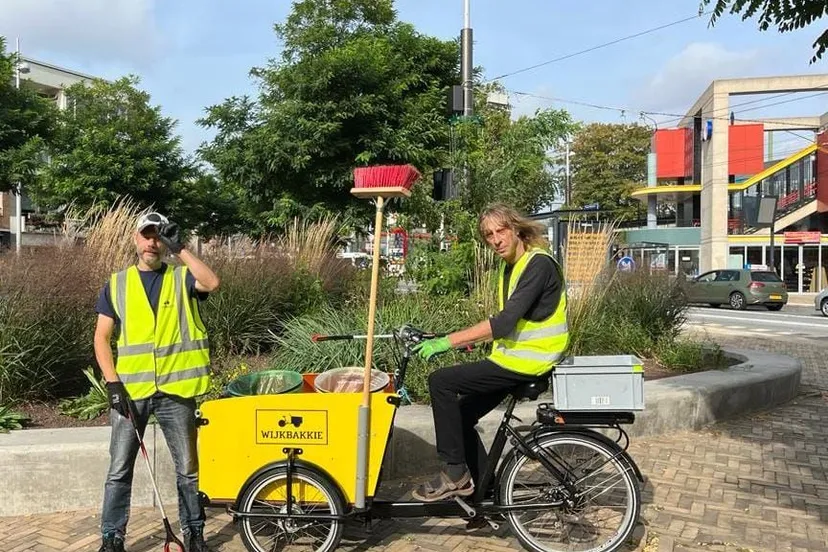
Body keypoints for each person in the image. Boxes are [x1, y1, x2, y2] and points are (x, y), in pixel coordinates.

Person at [410, 203, 568, 503]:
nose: (496, 240)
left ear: (516, 229)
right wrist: (470, 340)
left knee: (440, 381)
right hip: (514, 358)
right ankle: (483, 494)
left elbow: (504, 322)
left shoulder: (538, 264)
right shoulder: (510, 267)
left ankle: (455, 473)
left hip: (528, 362)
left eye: (501, 230)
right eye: (488, 235)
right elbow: (516, 322)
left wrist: (448, 341)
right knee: (462, 413)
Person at [94, 212, 220, 552]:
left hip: (176, 392)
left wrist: (180, 247)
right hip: (131, 393)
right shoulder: (117, 284)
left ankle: (195, 534)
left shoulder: (182, 278)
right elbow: (101, 338)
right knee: (119, 470)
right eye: (146, 235)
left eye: (158, 235)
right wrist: (112, 384)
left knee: (188, 471)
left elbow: (211, 283)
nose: (152, 241)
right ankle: (111, 538)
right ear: (135, 239)